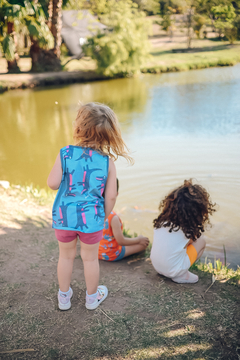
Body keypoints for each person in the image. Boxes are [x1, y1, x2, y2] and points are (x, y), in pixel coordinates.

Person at [47, 102, 133, 311]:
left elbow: (52, 183)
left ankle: (64, 298)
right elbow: (110, 196)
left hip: (64, 217)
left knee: (66, 256)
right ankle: (92, 299)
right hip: (92, 219)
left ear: (79, 127)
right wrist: (103, 215)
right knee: (90, 259)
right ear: (109, 134)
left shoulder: (65, 153)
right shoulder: (107, 162)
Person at [150, 179, 216, 283]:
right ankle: (181, 274)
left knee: (179, 245)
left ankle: (171, 268)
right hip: (173, 271)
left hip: (156, 266)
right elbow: (190, 242)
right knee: (201, 241)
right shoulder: (187, 229)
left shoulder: (161, 222)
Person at [98, 179, 150, 261]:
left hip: (96, 251)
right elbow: (121, 242)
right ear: (116, 194)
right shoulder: (113, 217)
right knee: (143, 245)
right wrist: (138, 239)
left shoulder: (94, 211)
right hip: (110, 254)